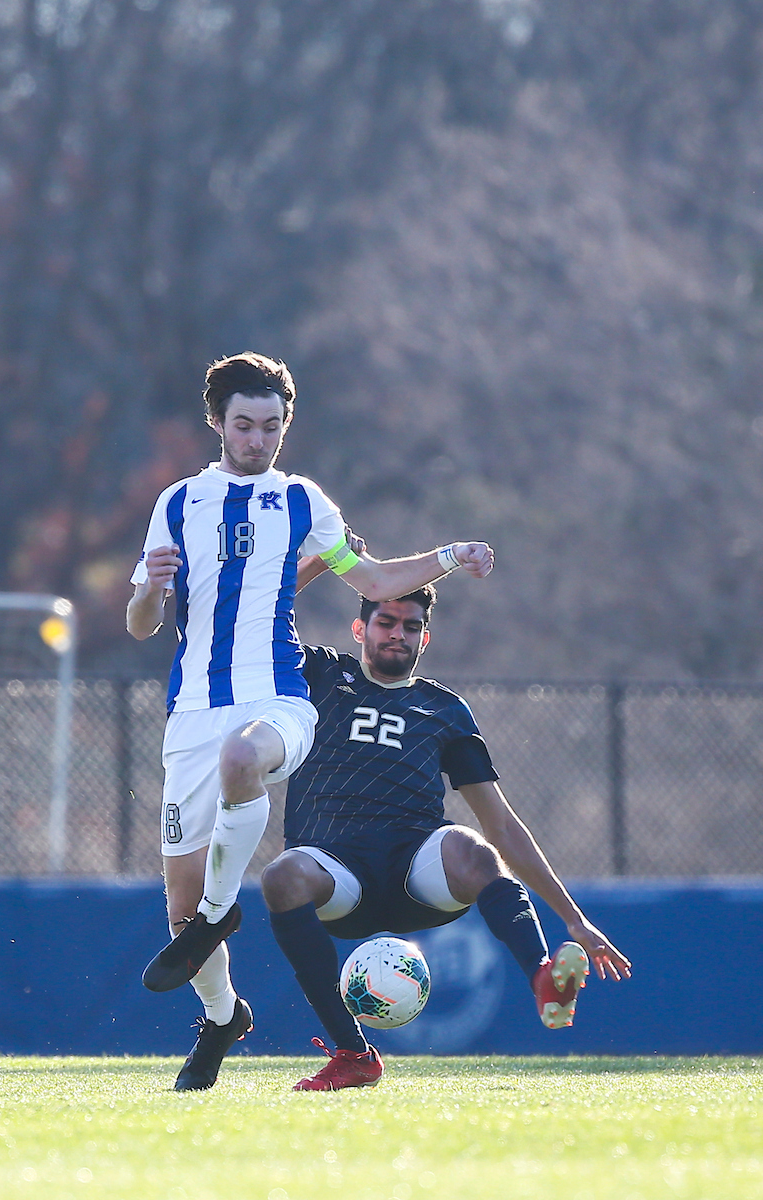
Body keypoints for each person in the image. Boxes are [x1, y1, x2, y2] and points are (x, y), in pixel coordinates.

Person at [126, 351, 494, 1091]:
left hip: (276, 700)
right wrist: (152, 594)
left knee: (243, 759)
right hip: (191, 710)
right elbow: (139, 624)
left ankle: (219, 915)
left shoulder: (300, 501)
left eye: (271, 426)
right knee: (177, 905)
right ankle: (222, 1018)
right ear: (217, 423)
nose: (258, 440)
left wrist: (451, 556)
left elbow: (379, 579)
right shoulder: (177, 503)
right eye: (244, 425)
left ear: (285, 425)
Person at [260, 578, 632, 1092]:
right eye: (385, 622)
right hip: (337, 873)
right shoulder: (321, 675)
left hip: (417, 873)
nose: (398, 634)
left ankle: (544, 978)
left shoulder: (445, 711)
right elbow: (260, 621)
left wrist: (576, 920)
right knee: (281, 876)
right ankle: (352, 1054)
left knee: (472, 844)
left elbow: (500, 822)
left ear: (425, 639)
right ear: (359, 628)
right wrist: (322, 559)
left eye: (411, 627)